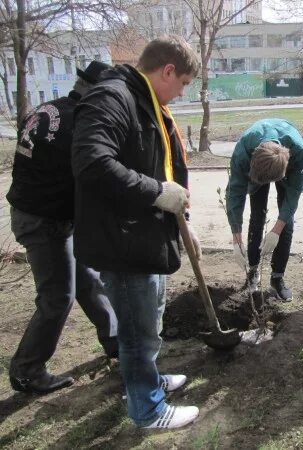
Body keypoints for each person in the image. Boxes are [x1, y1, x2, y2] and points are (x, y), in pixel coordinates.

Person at [71, 35, 202, 429]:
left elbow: (159, 165)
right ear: (166, 71)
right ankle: (147, 409)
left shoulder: (144, 101)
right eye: (182, 84)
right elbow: (92, 162)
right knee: (135, 331)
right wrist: (157, 194)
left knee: (148, 322)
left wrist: (182, 226)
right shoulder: (113, 98)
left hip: (143, 236)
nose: (181, 94)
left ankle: (147, 380)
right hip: (122, 241)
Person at [6, 61, 118, 395]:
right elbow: (92, 180)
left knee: (87, 280)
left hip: (39, 213)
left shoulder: (47, 109)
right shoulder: (80, 125)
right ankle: (27, 371)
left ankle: (116, 341)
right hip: (44, 222)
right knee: (57, 297)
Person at [226, 119, 303, 302]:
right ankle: (253, 271)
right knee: (257, 216)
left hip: (286, 163)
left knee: (286, 223)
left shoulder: (298, 150)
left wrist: (276, 230)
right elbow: (235, 193)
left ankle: (277, 278)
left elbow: (293, 194)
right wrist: (236, 239)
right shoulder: (244, 150)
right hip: (258, 165)